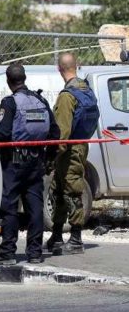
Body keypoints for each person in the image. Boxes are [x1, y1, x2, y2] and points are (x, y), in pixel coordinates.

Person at [0, 64, 60, 265]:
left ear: (8, 81)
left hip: (13, 163)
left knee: (10, 207)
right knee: (34, 207)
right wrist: (48, 159)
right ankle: (35, 253)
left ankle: (8, 253)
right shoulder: (41, 101)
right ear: (24, 78)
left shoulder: (10, 103)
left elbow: (2, 135)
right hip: (36, 163)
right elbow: (55, 133)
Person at [46, 53, 100, 255]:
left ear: (59, 69)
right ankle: (57, 234)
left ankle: (76, 239)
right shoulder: (86, 90)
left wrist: (50, 157)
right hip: (79, 145)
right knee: (58, 188)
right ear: (76, 66)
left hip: (68, 150)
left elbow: (62, 133)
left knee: (72, 191)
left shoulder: (67, 96)